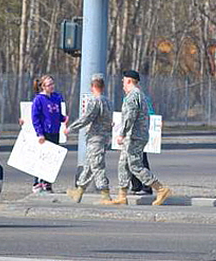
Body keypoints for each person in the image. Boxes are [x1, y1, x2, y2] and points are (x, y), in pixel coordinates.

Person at [109, 70, 171, 206]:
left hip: (134, 136)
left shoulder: (133, 96)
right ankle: (122, 196)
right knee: (123, 164)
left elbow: (129, 117)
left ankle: (161, 189)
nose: (123, 84)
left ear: (129, 81)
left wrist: (122, 133)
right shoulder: (139, 95)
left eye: (124, 81)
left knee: (135, 166)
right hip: (135, 135)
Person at [64, 74, 113, 204]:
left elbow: (87, 118)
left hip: (95, 138)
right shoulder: (108, 101)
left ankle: (105, 195)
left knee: (97, 166)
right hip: (104, 138)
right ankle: (79, 192)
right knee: (89, 166)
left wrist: (70, 128)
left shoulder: (95, 101)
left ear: (92, 87)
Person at [30, 74, 68, 193]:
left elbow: (58, 114)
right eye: (49, 84)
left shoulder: (56, 97)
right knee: (42, 158)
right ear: (43, 86)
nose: (52, 86)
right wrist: (40, 134)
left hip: (55, 131)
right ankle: (37, 182)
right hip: (45, 132)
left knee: (52, 159)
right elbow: (35, 118)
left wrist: (64, 118)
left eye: (52, 83)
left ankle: (47, 183)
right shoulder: (38, 99)